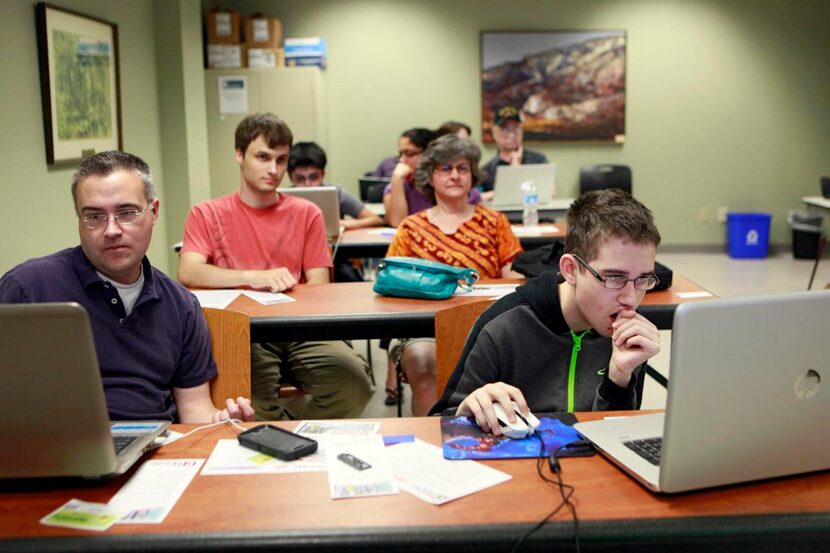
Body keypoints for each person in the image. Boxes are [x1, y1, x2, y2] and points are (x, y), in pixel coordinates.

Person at [0, 151, 255, 424]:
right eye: (94, 216)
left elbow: (194, 408)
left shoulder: (181, 306)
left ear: (153, 211)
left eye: (126, 212)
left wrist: (220, 424)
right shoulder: (28, 289)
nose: (111, 230)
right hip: (58, 453)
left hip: (158, 453)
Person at [178, 113, 373, 421]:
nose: (273, 170)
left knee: (355, 386)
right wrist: (252, 277)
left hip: (301, 327)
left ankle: (292, 432)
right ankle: (277, 439)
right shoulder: (207, 213)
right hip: (242, 330)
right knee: (250, 403)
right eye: (263, 157)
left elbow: (318, 286)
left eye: (281, 160)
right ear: (239, 155)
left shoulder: (307, 213)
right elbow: (189, 272)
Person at [430, 188, 662, 436]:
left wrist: (619, 378)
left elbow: (617, 439)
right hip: (517, 468)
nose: (630, 299)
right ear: (571, 270)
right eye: (615, 277)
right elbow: (439, 425)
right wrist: (466, 410)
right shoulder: (502, 325)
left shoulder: (628, 335)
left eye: (643, 280)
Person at [385, 134, 524, 416]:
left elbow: (514, 281)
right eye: (445, 169)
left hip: (488, 324)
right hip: (425, 328)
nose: (455, 175)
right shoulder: (411, 228)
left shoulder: (495, 222)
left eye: (462, 168)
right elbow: (392, 286)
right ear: (430, 176)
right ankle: (432, 448)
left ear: (472, 175)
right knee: (424, 375)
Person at [384, 128, 482, 227]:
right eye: (401, 154)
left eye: (409, 153)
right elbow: (397, 223)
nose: (402, 160)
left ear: (427, 155)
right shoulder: (397, 187)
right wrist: (397, 179)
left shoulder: (461, 188)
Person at [288, 141, 383, 230]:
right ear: (290, 177)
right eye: (300, 179)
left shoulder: (336, 193)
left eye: (313, 177)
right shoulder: (282, 198)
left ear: (323, 174)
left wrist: (340, 224)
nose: (307, 185)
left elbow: (375, 220)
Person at [479, 105, 549, 195]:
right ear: (494, 133)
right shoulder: (487, 171)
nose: (511, 135)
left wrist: (517, 167)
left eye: (516, 129)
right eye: (505, 129)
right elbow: (476, 200)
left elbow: (550, 192)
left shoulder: (538, 160)